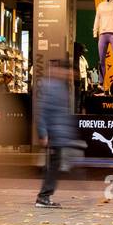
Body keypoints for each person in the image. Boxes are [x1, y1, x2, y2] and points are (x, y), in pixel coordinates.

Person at [33, 59, 79, 209]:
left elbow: (62, 113)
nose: (71, 75)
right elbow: (42, 111)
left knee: (54, 165)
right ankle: (43, 196)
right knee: (53, 166)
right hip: (54, 134)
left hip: (58, 134)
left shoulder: (62, 86)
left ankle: (45, 195)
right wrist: (43, 133)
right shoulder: (51, 86)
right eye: (69, 72)